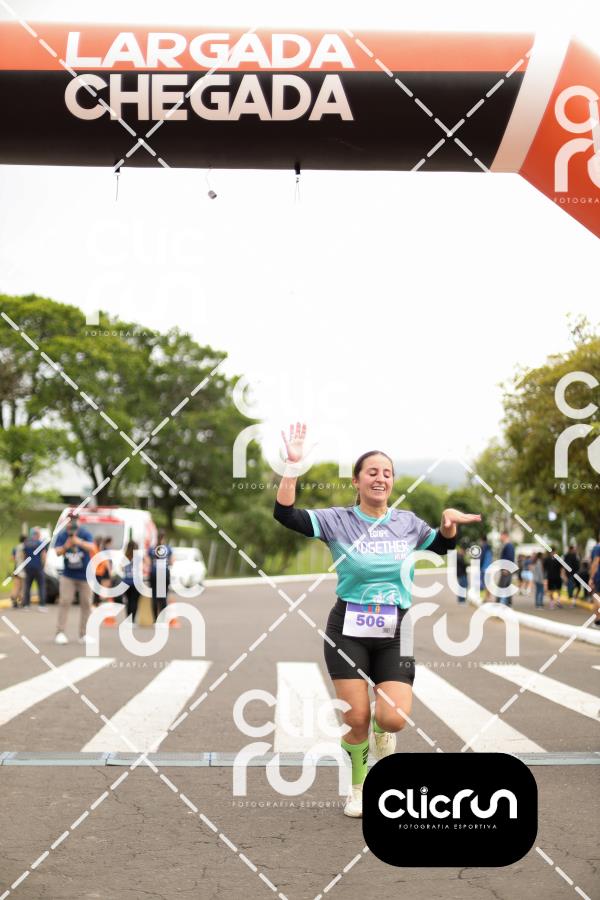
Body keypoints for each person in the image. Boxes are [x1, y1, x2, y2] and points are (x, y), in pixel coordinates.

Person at [272, 423, 481, 818]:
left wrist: (448, 526)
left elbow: (440, 545)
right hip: (347, 630)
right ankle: (359, 788)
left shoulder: (407, 523)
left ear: (392, 482)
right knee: (356, 718)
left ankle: (383, 736)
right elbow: (285, 514)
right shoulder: (338, 520)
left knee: (392, 718)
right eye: (372, 472)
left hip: (395, 630)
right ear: (357, 481)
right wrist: (292, 467)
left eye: (387, 473)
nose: (380, 478)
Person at [53, 514, 97, 645]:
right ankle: (60, 632)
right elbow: (57, 552)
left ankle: (84, 634)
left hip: (85, 575)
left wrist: (78, 542)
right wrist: (66, 545)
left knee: (86, 603)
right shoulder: (62, 535)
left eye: (74, 521)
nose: (71, 524)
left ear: (78, 522)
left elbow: (92, 547)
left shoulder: (84, 533)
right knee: (65, 601)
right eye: (69, 521)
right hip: (68, 575)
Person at [148, 531, 173, 622]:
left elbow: (148, 562)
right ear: (164, 538)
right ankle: (162, 618)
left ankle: (155, 619)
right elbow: (171, 562)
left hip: (154, 573)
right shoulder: (168, 549)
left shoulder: (152, 549)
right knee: (163, 597)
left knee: (154, 596)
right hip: (164, 573)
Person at [21, 527, 47, 612]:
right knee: (41, 586)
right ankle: (42, 605)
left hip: (28, 567)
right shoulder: (40, 543)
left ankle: (26, 605)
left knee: (27, 586)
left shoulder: (26, 543)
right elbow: (43, 555)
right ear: (38, 534)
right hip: (38, 567)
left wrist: (24, 565)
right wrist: (43, 566)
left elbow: (23, 555)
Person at [122, 540, 140, 623]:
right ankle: (132, 620)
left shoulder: (125, 557)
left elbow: (122, 568)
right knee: (134, 601)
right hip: (136, 582)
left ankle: (128, 619)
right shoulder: (138, 558)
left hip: (126, 581)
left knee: (128, 601)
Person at [497, 530, 515, 606]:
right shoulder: (508, 545)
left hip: (506, 570)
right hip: (507, 569)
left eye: (501, 535)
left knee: (502, 586)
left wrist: (506, 569)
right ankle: (508, 604)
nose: (500, 537)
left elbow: (509, 557)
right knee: (506, 586)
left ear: (505, 535)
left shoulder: (508, 546)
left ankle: (500, 604)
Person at [9, 534, 27, 608]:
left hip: (16, 568)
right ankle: (21, 601)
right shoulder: (26, 547)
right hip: (24, 569)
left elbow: (12, 558)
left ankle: (14, 600)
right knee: (22, 587)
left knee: (16, 586)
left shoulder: (16, 547)